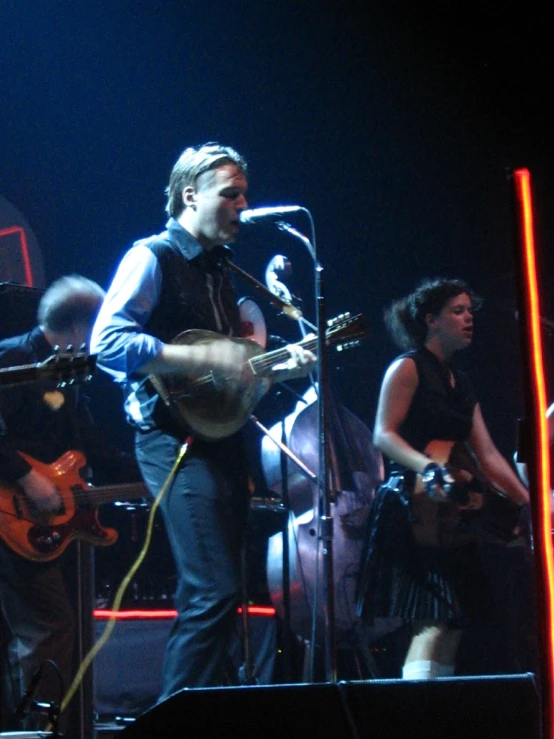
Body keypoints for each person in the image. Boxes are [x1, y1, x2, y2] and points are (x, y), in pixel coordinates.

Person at [90, 142, 315, 697]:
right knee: (213, 588)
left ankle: (203, 712)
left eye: (245, 195)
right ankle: (173, 718)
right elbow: (106, 342)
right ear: (190, 195)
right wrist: (193, 355)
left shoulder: (221, 273)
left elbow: (224, 380)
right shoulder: (152, 255)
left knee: (218, 594)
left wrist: (276, 371)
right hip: (171, 442)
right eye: (230, 194)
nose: (242, 205)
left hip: (219, 439)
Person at [356, 277, 529, 681]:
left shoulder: (461, 382)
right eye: (458, 310)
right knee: (432, 621)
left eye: (470, 311)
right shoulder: (408, 367)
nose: (469, 318)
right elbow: (384, 433)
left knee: (456, 622)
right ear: (432, 320)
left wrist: (529, 500)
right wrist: (427, 466)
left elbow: (487, 455)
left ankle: (439, 713)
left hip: (449, 514)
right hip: (411, 507)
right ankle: (417, 716)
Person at [0, 274, 140, 732]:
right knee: (50, 626)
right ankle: (37, 732)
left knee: (62, 627)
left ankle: (56, 726)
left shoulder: (69, 374)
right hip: (9, 515)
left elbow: (90, 447)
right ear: (82, 326)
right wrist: (24, 476)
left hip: (45, 524)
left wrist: (150, 469)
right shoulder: (16, 360)